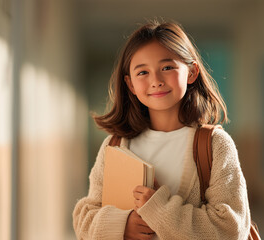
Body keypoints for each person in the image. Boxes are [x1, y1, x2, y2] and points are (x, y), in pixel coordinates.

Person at [73, 19, 252, 240]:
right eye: (142, 72)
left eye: (167, 68)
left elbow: (231, 229)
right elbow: (86, 218)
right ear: (130, 84)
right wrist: (121, 225)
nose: (156, 80)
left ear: (192, 72)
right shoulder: (115, 145)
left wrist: (160, 208)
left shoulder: (214, 145)